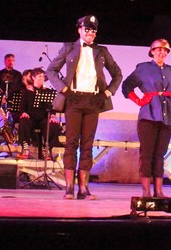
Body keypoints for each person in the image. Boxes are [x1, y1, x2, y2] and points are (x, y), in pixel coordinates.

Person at [47, 15, 123, 200]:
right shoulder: (69, 47)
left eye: (93, 31)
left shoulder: (102, 51)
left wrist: (107, 93)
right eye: (87, 30)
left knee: (88, 144)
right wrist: (64, 90)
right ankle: (69, 188)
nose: (90, 33)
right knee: (71, 142)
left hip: (93, 101)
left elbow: (117, 74)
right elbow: (51, 70)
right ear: (79, 30)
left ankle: (84, 189)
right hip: (73, 99)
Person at [122, 39, 171, 198]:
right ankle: (146, 192)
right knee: (147, 154)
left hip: (167, 117)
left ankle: (159, 191)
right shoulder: (143, 68)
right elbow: (126, 86)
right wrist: (139, 100)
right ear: (152, 51)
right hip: (148, 116)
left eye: (165, 50)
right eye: (159, 49)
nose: (162, 52)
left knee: (160, 154)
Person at [18, 68, 61, 159]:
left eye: (43, 76)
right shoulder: (27, 92)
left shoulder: (48, 92)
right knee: (23, 121)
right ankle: (25, 147)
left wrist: (52, 116)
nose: (42, 78)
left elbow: (52, 107)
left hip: (43, 118)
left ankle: (47, 148)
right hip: (31, 118)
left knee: (53, 124)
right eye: (39, 76)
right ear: (33, 78)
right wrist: (24, 113)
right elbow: (22, 107)